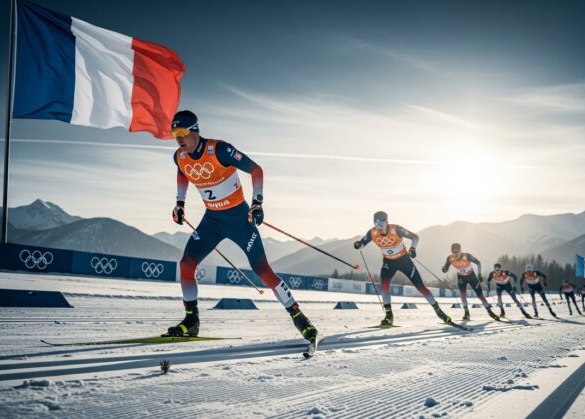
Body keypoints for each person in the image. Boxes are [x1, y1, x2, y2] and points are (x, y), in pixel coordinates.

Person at [166, 110, 317, 343]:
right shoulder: (180, 156)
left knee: (262, 270)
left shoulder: (219, 150)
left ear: (195, 130)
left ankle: (299, 317)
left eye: (183, 132)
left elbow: (256, 170)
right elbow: (183, 174)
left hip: (239, 219)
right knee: (186, 264)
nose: (178, 137)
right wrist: (179, 203)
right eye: (174, 133)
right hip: (212, 221)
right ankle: (191, 321)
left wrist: (257, 203)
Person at [354, 211, 452, 326]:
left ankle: (439, 311)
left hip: (404, 261)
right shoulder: (372, 233)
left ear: (387, 222)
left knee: (421, 287)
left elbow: (415, 237)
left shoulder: (396, 229)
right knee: (384, 286)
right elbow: (362, 244)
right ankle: (389, 316)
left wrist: (413, 249)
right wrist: (358, 244)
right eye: (376, 224)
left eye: (381, 224)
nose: (379, 227)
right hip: (388, 263)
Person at [441, 243, 500, 321]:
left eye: (457, 252)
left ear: (460, 251)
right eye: (453, 252)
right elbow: (446, 267)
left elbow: (478, 263)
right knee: (463, 295)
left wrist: (479, 275)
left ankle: (490, 311)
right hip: (461, 277)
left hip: (471, 276)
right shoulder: (450, 258)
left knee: (480, 296)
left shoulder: (466, 256)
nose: (455, 254)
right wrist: (444, 269)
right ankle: (466, 313)